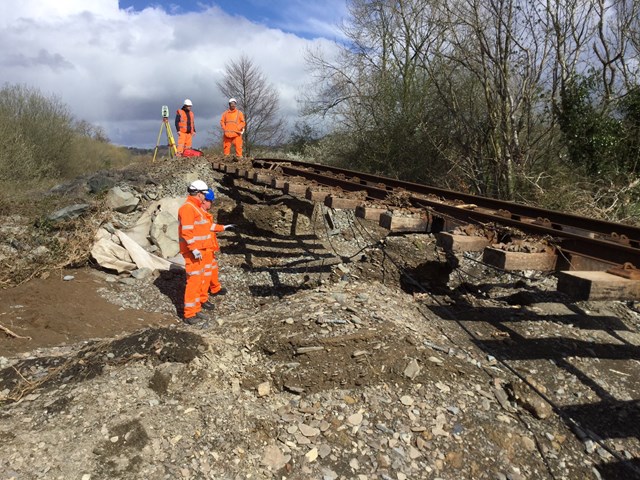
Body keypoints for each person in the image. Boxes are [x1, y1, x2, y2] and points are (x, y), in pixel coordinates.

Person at [178, 180, 210, 325]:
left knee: (198, 281)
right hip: (193, 252)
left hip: (199, 251)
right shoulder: (188, 208)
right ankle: (189, 314)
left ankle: (195, 309)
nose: (205, 196)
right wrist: (193, 249)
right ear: (198, 193)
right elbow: (187, 232)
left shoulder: (194, 207)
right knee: (193, 282)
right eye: (204, 193)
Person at [199, 189, 235, 310]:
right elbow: (207, 228)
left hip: (209, 248)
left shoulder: (204, 213)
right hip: (203, 249)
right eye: (210, 202)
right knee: (205, 274)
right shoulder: (199, 213)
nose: (211, 204)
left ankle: (215, 288)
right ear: (204, 201)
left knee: (213, 269)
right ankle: (202, 299)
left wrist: (224, 227)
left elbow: (210, 227)